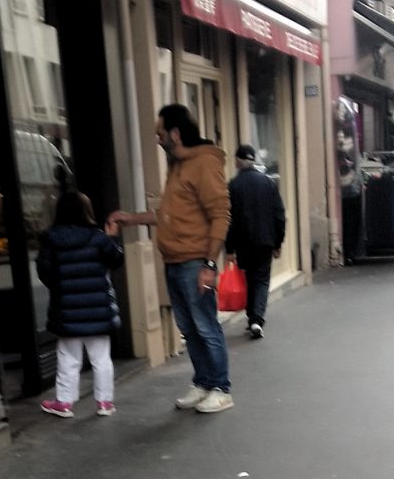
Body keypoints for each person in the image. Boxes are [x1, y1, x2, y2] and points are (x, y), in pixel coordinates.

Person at [108, 104, 234, 414]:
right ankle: (203, 383)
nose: (157, 138)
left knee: (205, 327)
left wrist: (209, 265)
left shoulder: (203, 163)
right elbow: (167, 214)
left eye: (160, 133)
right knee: (189, 328)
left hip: (195, 262)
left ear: (175, 134)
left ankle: (221, 388)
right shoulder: (177, 166)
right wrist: (130, 218)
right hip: (174, 262)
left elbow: (220, 215)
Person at [37, 191, 124, 418]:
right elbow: (116, 260)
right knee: (101, 358)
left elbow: (44, 271)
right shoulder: (98, 238)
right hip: (98, 310)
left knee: (68, 358)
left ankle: (64, 403)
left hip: (66, 310)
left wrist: (62, 288)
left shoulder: (51, 239)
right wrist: (112, 237)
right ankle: (104, 402)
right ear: (87, 212)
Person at [225, 144, 286, 339]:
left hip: (243, 242)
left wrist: (229, 249)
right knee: (261, 280)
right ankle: (256, 319)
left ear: (238, 161)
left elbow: (228, 219)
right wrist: (278, 242)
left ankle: (252, 317)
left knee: (250, 278)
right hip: (266, 241)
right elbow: (279, 215)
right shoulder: (268, 182)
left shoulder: (233, 186)